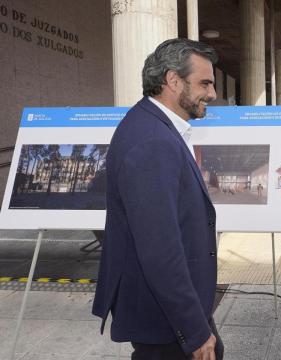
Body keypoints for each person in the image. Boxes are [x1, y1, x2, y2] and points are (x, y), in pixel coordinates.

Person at [92, 38, 224, 360]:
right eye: (205, 83)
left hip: (168, 310)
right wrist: (194, 329)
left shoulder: (153, 127)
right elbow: (159, 249)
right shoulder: (153, 141)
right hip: (164, 317)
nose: (213, 94)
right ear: (172, 80)